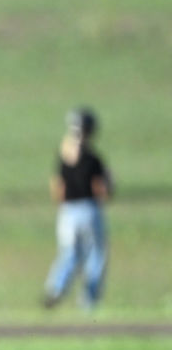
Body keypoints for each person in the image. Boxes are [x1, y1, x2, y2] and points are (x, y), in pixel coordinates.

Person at [43, 107, 112, 310]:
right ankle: (89, 302)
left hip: (67, 212)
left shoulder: (63, 157)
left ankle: (56, 287)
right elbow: (101, 190)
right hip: (89, 210)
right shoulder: (93, 159)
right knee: (95, 255)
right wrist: (109, 183)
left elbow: (58, 189)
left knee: (69, 253)